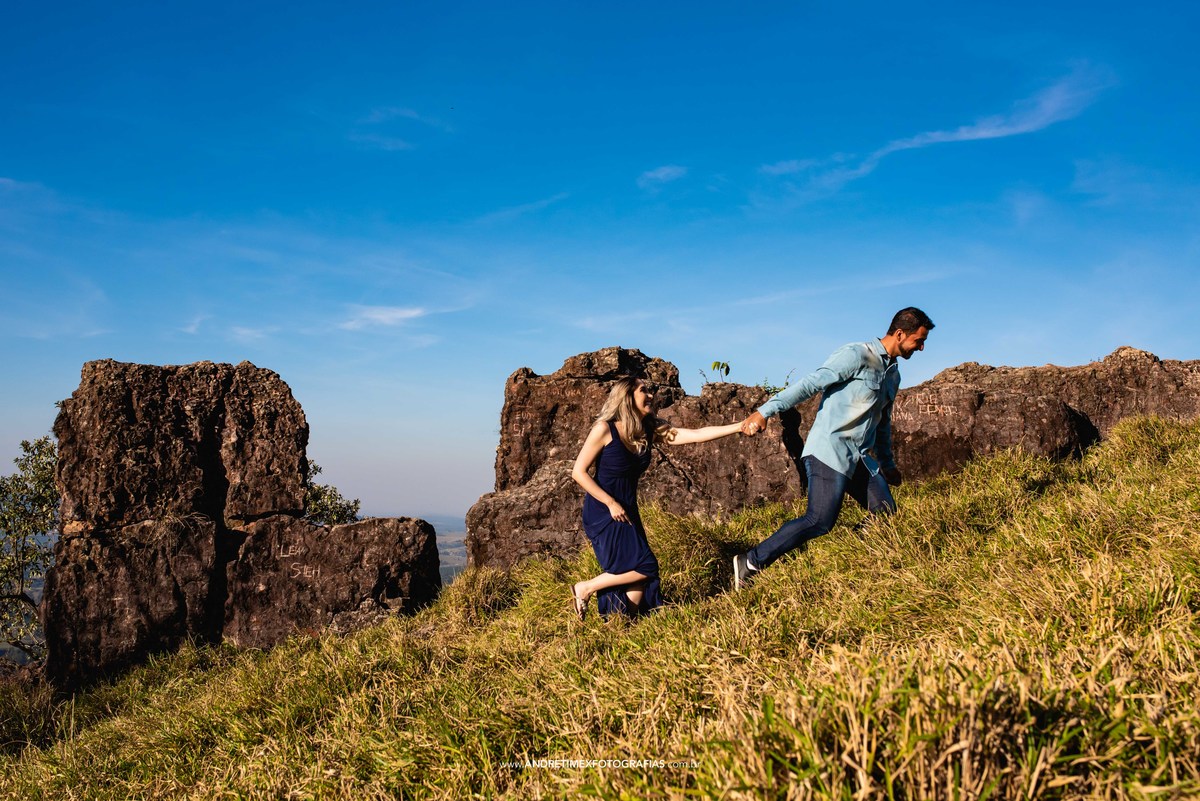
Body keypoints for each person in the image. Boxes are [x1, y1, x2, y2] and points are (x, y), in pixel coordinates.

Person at [732, 307, 934, 589]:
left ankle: (858, 568)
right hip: (830, 450)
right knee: (819, 520)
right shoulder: (857, 355)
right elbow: (811, 383)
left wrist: (887, 464)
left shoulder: (893, 375)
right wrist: (765, 411)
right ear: (900, 334)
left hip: (861, 457)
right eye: (918, 340)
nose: (922, 347)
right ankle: (751, 562)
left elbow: (883, 423)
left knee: (885, 511)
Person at [571, 376, 743, 620]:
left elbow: (694, 434)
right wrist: (610, 503)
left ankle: (619, 623)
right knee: (645, 566)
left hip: (628, 508)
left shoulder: (647, 430)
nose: (650, 395)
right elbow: (578, 472)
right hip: (603, 510)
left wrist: (738, 427)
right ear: (627, 397)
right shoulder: (604, 429)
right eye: (643, 390)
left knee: (635, 573)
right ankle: (585, 588)